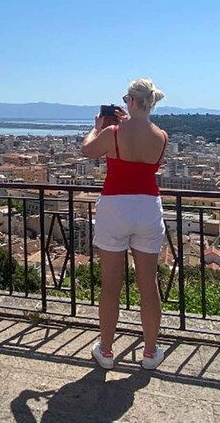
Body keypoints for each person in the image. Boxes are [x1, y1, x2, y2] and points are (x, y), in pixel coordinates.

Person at [81, 78, 168, 371]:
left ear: (130, 101)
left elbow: (88, 150)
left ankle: (105, 351)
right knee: (148, 283)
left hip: (115, 205)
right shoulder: (162, 136)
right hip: (148, 206)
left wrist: (97, 127)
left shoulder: (113, 133)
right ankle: (150, 352)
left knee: (111, 284)